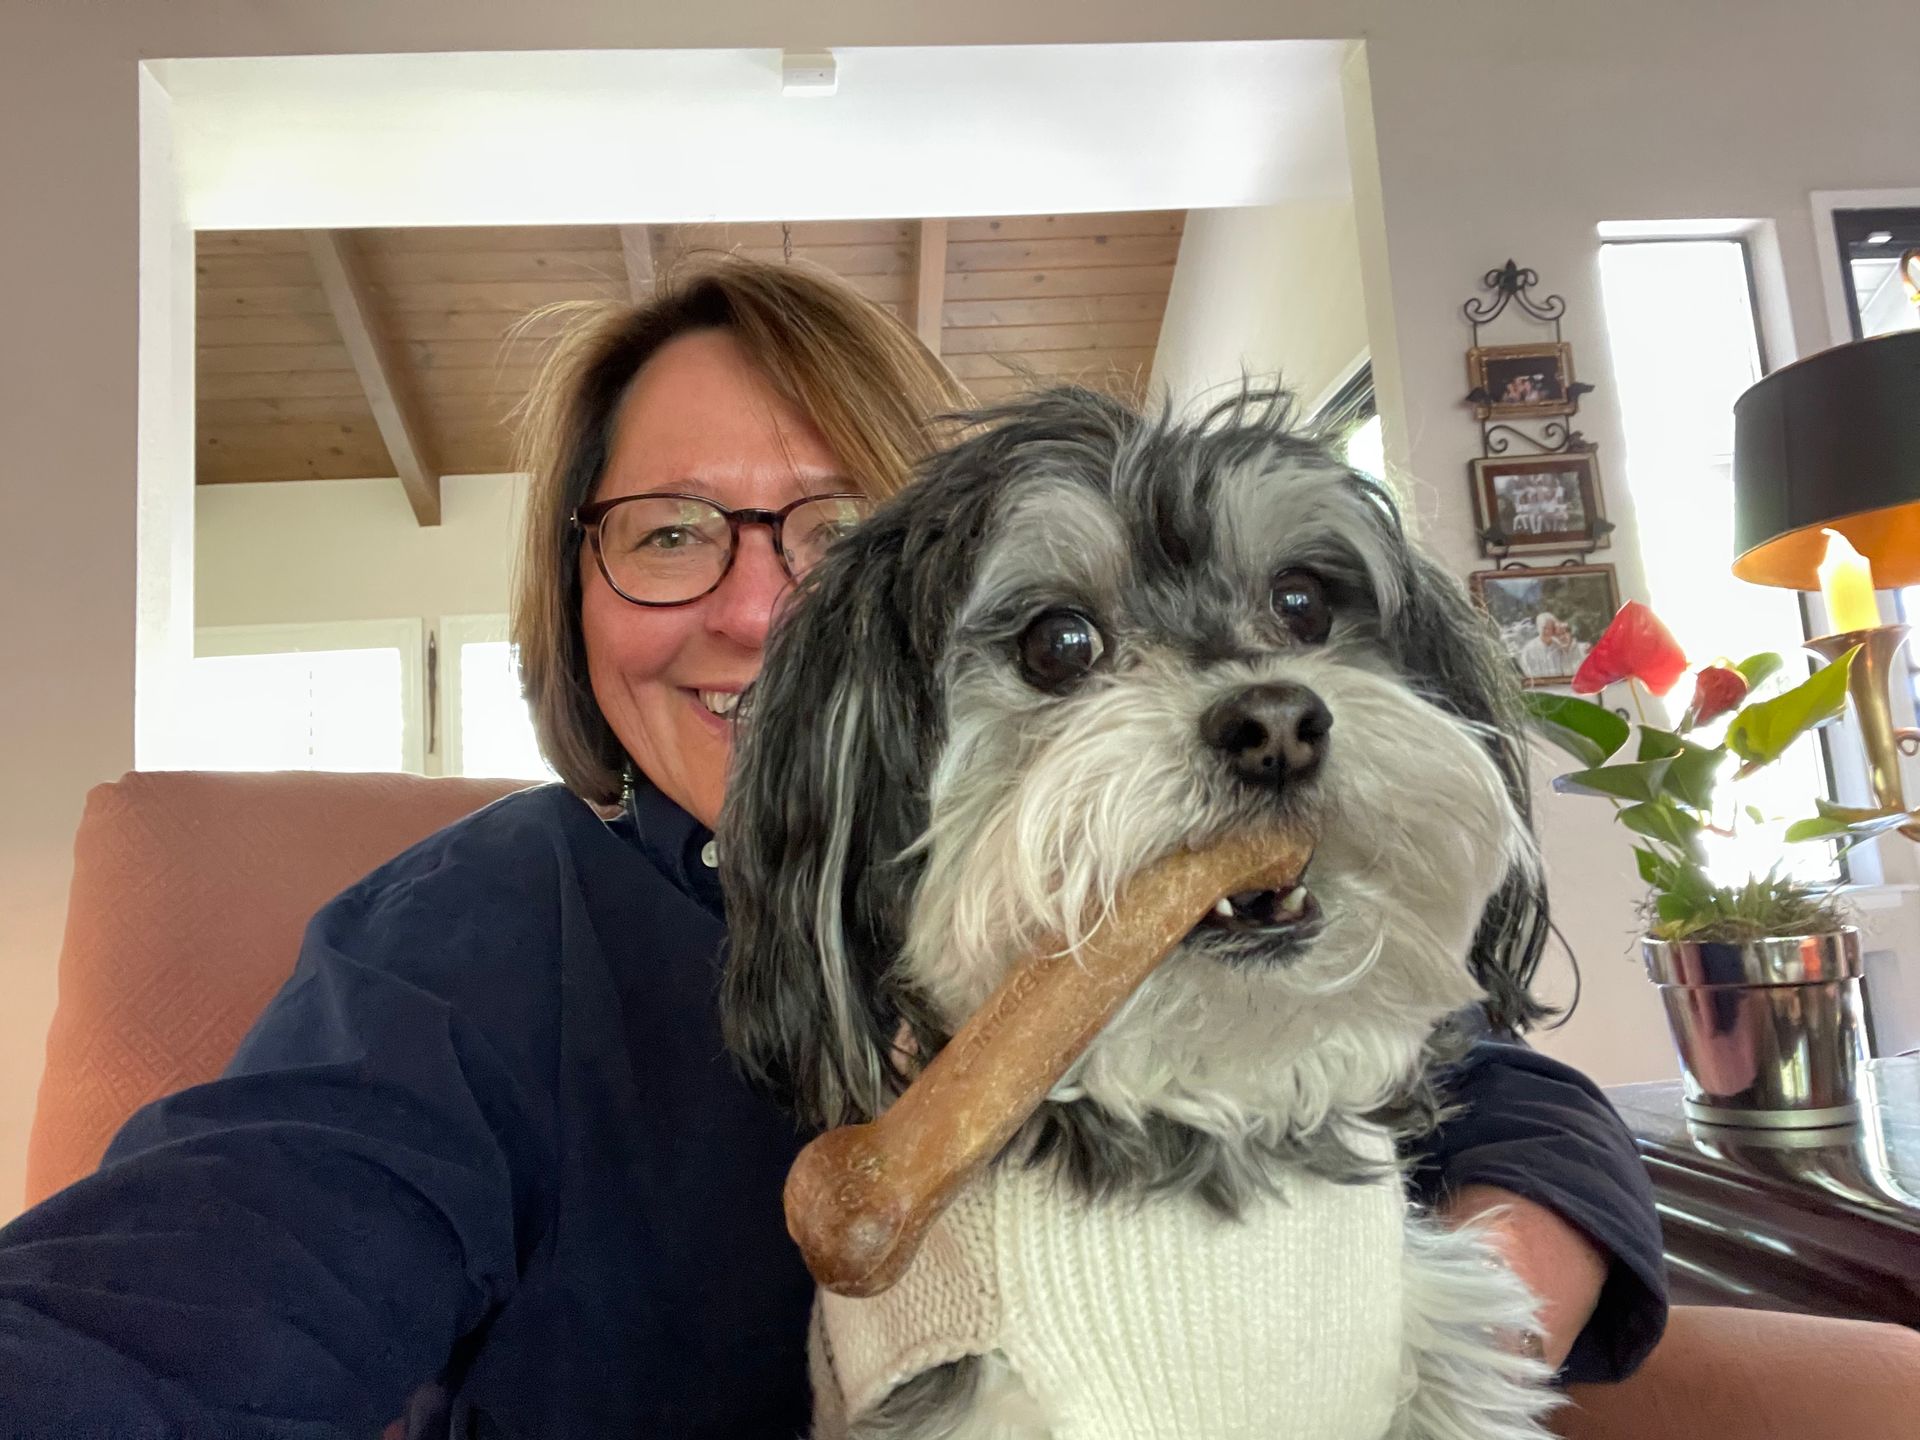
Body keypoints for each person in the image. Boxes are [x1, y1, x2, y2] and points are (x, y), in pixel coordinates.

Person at [0, 257, 1664, 1438]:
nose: (756, 607)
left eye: (837, 535)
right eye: (664, 534)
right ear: (571, 612)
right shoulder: (483, 931)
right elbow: (213, 1268)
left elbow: (1497, 1078)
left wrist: (1430, 1334)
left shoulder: (1197, 899)